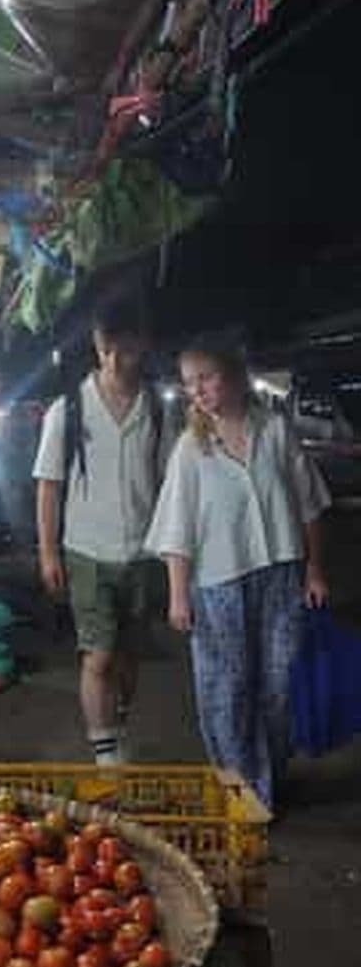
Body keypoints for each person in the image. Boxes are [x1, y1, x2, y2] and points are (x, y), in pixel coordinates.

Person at [145, 332, 330, 809]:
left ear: (232, 375)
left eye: (206, 378)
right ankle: (241, 793)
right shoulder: (191, 448)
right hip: (218, 584)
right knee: (226, 692)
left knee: (279, 684)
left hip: (281, 573)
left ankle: (268, 779)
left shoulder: (274, 430)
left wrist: (314, 571)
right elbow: (176, 527)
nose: (199, 391)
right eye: (190, 383)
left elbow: (309, 504)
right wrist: (178, 594)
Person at [33, 301, 170, 763]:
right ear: (97, 345)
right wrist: (48, 553)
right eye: (106, 349)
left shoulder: (156, 407)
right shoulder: (68, 410)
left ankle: (118, 723)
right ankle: (105, 751)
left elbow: (173, 483)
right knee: (98, 656)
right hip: (86, 551)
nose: (114, 361)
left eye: (126, 351)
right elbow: (49, 484)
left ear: (143, 348)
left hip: (143, 552)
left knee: (129, 658)